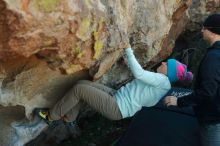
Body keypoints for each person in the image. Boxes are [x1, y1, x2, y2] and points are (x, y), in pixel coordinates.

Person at [35, 46, 193, 135]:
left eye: (167, 64)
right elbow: (146, 99)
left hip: (116, 107)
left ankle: (51, 116)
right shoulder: (163, 85)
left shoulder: (162, 81)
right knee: (83, 84)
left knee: (79, 89)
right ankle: (69, 118)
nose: (164, 63)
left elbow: (138, 73)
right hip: (117, 99)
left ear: (169, 73)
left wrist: (128, 50)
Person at [164, 13, 220, 146]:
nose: (201, 31)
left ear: (213, 31)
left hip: (213, 120)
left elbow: (207, 92)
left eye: (204, 28)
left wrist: (179, 101)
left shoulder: (213, 57)